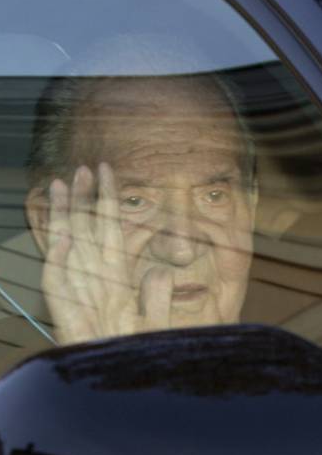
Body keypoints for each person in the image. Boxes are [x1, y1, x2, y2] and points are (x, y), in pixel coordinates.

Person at [22, 66, 258, 347]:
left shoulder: (312, 358)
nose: (181, 250)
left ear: (251, 208)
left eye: (214, 196)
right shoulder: (6, 390)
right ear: (48, 223)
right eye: (134, 202)